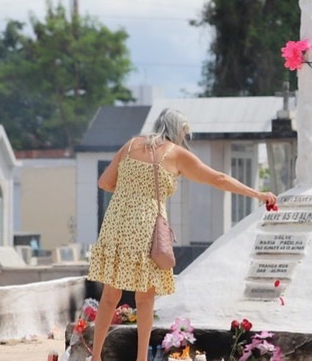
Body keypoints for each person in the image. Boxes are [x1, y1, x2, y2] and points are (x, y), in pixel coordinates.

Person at [87, 108, 278, 361]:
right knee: (145, 298)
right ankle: (141, 359)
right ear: (178, 131)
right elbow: (218, 179)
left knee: (110, 295)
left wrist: (129, 193)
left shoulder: (131, 144)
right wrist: (258, 194)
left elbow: (104, 182)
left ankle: (96, 356)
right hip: (146, 227)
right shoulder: (175, 153)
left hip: (116, 223)